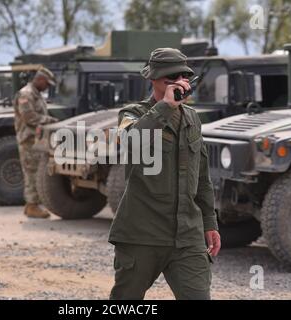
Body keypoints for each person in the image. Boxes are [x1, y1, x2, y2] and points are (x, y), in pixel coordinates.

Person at [108, 48, 221, 300]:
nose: (177, 81)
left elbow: (202, 177)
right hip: (142, 234)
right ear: (153, 79)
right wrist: (165, 107)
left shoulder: (193, 119)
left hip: (187, 237)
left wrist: (210, 222)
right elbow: (130, 142)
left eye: (182, 76)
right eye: (170, 78)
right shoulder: (133, 114)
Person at [14, 67, 58, 218]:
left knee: (36, 171)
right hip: (28, 140)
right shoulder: (26, 94)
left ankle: (32, 205)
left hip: (36, 140)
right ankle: (32, 205)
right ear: (40, 80)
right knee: (32, 172)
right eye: (47, 84)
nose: (47, 87)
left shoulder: (36, 94)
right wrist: (50, 121)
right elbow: (29, 117)